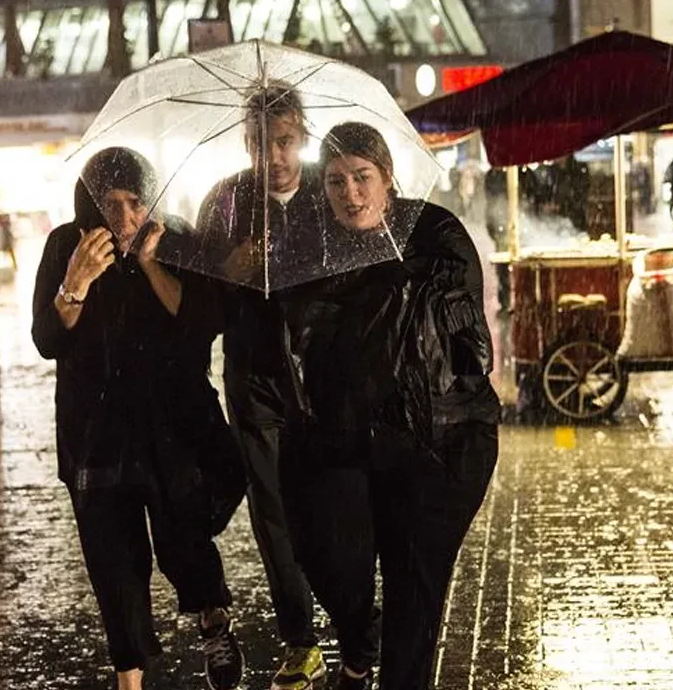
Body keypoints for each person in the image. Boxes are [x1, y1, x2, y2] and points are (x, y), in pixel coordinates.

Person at [279, 122, 500, 690]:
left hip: (440, 444)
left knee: (413, 591)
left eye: (362, 177)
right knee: (334, 567)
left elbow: (459, 339)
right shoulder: (311, 246)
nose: (350, 195)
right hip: (347, 443)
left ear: (386, 176)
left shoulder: (431, 231)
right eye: (334, 182)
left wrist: (385, 283)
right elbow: (299, 334)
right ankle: (358, 640)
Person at [32, 148, 246, 690]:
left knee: (185, 541)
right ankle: (130, 678)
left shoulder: (175, 242)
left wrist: (151, 264)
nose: (124, 218)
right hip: (96, 438)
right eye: (111, 204)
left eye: (135, 202)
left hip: (171, 430)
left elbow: (203, 323)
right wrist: (74, 284)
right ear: (91, 206)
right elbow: (47, 339)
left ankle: (212, 617)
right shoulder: (66, 246)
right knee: (114, 565)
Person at [195, 81, 330, 690]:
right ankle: (301, 640)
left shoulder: (330, 193)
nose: (273, 156)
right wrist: (232, 273)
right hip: (253, 379)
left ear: (301, 136)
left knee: (335, 506)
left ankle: (354, 613)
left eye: (283, 141)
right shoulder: (225, 202)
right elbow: (201, 303)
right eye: (260, 142)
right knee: (272, 514)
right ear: (245, 141)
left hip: (324, 378)